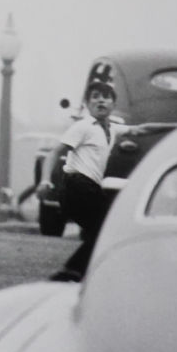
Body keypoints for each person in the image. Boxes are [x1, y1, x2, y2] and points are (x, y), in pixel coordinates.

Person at [37, 79, 117, 282]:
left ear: (113, 104)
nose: (101, 101)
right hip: (77, 186)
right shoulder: (83, 127)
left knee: (102, 231)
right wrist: (45, 181)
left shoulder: (112, 129)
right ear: (87, 105)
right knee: (107, 228)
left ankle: (78, 273)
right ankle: (71, 270)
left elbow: (142, 129)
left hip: (90, 189)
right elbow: (54, 152)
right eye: (95, 97)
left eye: (106, 97)